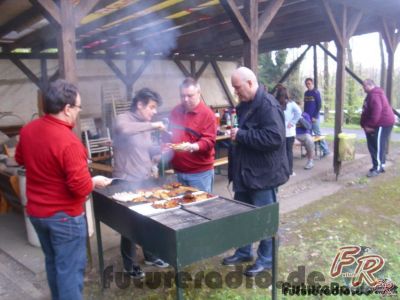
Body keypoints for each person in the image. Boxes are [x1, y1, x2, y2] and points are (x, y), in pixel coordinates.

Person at [15, 79, 112, 300]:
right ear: (67, 109)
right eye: (78, 107)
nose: (79, 112)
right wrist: (94, 181)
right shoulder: (69, 142)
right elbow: (79, 188)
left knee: (53, 263)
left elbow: (20, 158)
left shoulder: (28, 130)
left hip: (37, 214)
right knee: (69, 272)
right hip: (64, 219)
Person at [222, 67, 289, 277]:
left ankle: (266, 260)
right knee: (243, 216)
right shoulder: (244, 105)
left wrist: (241, 135)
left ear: (250, 83)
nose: (236, 93)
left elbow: (274, 138)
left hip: (264, 176)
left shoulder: (268, 105)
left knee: (264, 219)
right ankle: (244, 252)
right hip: (245, 174)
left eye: (237, 87)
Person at [113, 88, 169, 278]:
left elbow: (145, 149)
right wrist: (153, 125)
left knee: (149, 219)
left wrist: (158, 152)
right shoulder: (123, 119)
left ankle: (151, 255)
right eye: (151, 107)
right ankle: (130, 265)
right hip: (127, 180)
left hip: (145, 178)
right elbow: (124, 130)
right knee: (130, 225)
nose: (154, 112)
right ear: (139, 104)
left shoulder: (145, 124)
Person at [169, 77, 216, 193]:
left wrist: (193, 146)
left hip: (200, 174)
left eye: (190, 96)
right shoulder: (175, 111)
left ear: (199, 93)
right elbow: (169, 135)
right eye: (182, 96)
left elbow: (209, 141)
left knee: (202, 209)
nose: (185, 99)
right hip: (178, 172)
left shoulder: (207, 114)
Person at [360, 79, 395, 177]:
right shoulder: (371, 95)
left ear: (369, 85)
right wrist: (364, 124)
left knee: (378, 145)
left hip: (383, 123)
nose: (363, 89)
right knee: (375, 145)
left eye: (364, 87)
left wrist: (369, 126)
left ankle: (378, 168)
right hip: (379, 124)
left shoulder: (375, 95)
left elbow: (376, 113)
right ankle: (380, 165)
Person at [276, 86, 302, 176]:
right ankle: (288, 170)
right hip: (283, 132)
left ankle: (287, 170)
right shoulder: (279, 103)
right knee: (288, 151)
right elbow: (299, 112)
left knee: (285, 151)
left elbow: (299, 112)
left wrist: (293, 122)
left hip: (286, 131)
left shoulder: (288, 104)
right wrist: (292, 122)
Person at [303, 78, 330, 156]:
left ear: (312, 84)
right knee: (308, 135)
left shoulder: (316, 92)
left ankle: (325, 150)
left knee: (317, 134)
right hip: (307, 118)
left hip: (314, 118)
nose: (308, 85)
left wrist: (314, 116)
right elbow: (305, 105)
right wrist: (304, 115)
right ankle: (309, 151)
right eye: (306, 83)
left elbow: (319, 105)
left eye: (309, 83)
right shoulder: (306, 93)